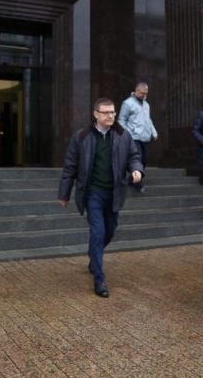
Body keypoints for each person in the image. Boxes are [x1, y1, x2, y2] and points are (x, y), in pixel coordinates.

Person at [58, 98, 144, 298]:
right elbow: (70, 166)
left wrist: (136, 169)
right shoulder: (81, 136)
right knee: (98, 232)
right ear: (95, 114)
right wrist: (64, 193)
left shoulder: (123, 135)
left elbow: (134, 156)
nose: (111, 116)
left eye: (113, 112)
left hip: (114, 193)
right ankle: (99, 279)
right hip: (93, 193)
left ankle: (93, 256)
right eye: (106, 113)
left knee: (110, 231)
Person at [118, 82, 158, 192]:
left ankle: (131, 180)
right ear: (136, 91)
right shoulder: (127, 103)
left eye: (146, 94)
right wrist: (127, 134)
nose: (144, 96)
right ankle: (138, 185)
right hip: (133, 137)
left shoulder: (146, 104)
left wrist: (154, 132)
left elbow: (148, 119)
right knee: (138, 160)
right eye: (142, 93)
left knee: (144, 160)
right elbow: (121, 120)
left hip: (144, 136)